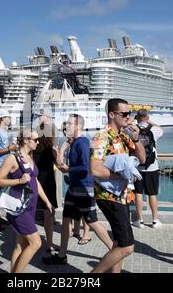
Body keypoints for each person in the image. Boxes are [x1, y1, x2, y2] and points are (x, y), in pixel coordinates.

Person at [42, 114, 117, 266]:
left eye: (70, 123)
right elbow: (67, 168)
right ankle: (62, 255)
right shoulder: (73, 143)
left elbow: (87, 166)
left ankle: (114, 252)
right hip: (74, 188)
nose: (66, 126)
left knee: (92, 221)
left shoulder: (82, 142)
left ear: (78, 126)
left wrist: (68, 168)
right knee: (65, 220)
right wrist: (63, 158)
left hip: (84, 188)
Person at [90, 98, 146, 273]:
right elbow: (95, 169)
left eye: (129, 113)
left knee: (118, 243)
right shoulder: (101, 137)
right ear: (112, 115)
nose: (129, 117)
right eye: (125, 114)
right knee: (127, 247)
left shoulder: (123, 136)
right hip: (109, 196)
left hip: (122, 195)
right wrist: (122, 175)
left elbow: (142, 159)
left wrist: (136, 139)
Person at [0, 128, 54, 273]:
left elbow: (35, 182)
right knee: (35, 243)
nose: (38, 142)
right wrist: (19, 180)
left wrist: (46, 201)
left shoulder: (30, 156)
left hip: (30, 205)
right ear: (26, 141)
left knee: (20, 245)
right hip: (18, 207)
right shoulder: (12, 158)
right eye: (35, 140)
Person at [132, 109, 164, 229]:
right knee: (152, 194)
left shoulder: (132, 130)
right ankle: (155, 221)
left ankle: (140, 221)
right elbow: (161, 128)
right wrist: (150, 121)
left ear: (137, 117)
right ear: (147, 117)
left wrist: (134, 121)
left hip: (137, 167)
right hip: (152, 167)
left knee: (138, 193)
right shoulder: (154, 130)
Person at [33, 109, 58, 252]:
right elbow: (59, 163)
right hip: (48, 182)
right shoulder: (51, 150)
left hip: (35, 181)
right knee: (49, 213)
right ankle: (49, 243)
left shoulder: (33, 149)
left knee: (32, 211)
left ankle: (31, 240)